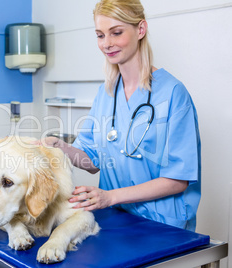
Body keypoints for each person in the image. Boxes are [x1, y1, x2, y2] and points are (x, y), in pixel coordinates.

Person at [41, 0, 201, 231]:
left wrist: (110, 196)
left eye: (116, 33)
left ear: (140, 30)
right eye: (100, 35)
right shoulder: (107, 93)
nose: (107, 44)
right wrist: (59, 146)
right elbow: (92, 160)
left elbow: (177, 179)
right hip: (116, 219)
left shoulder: (173, 93)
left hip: (161, 225)